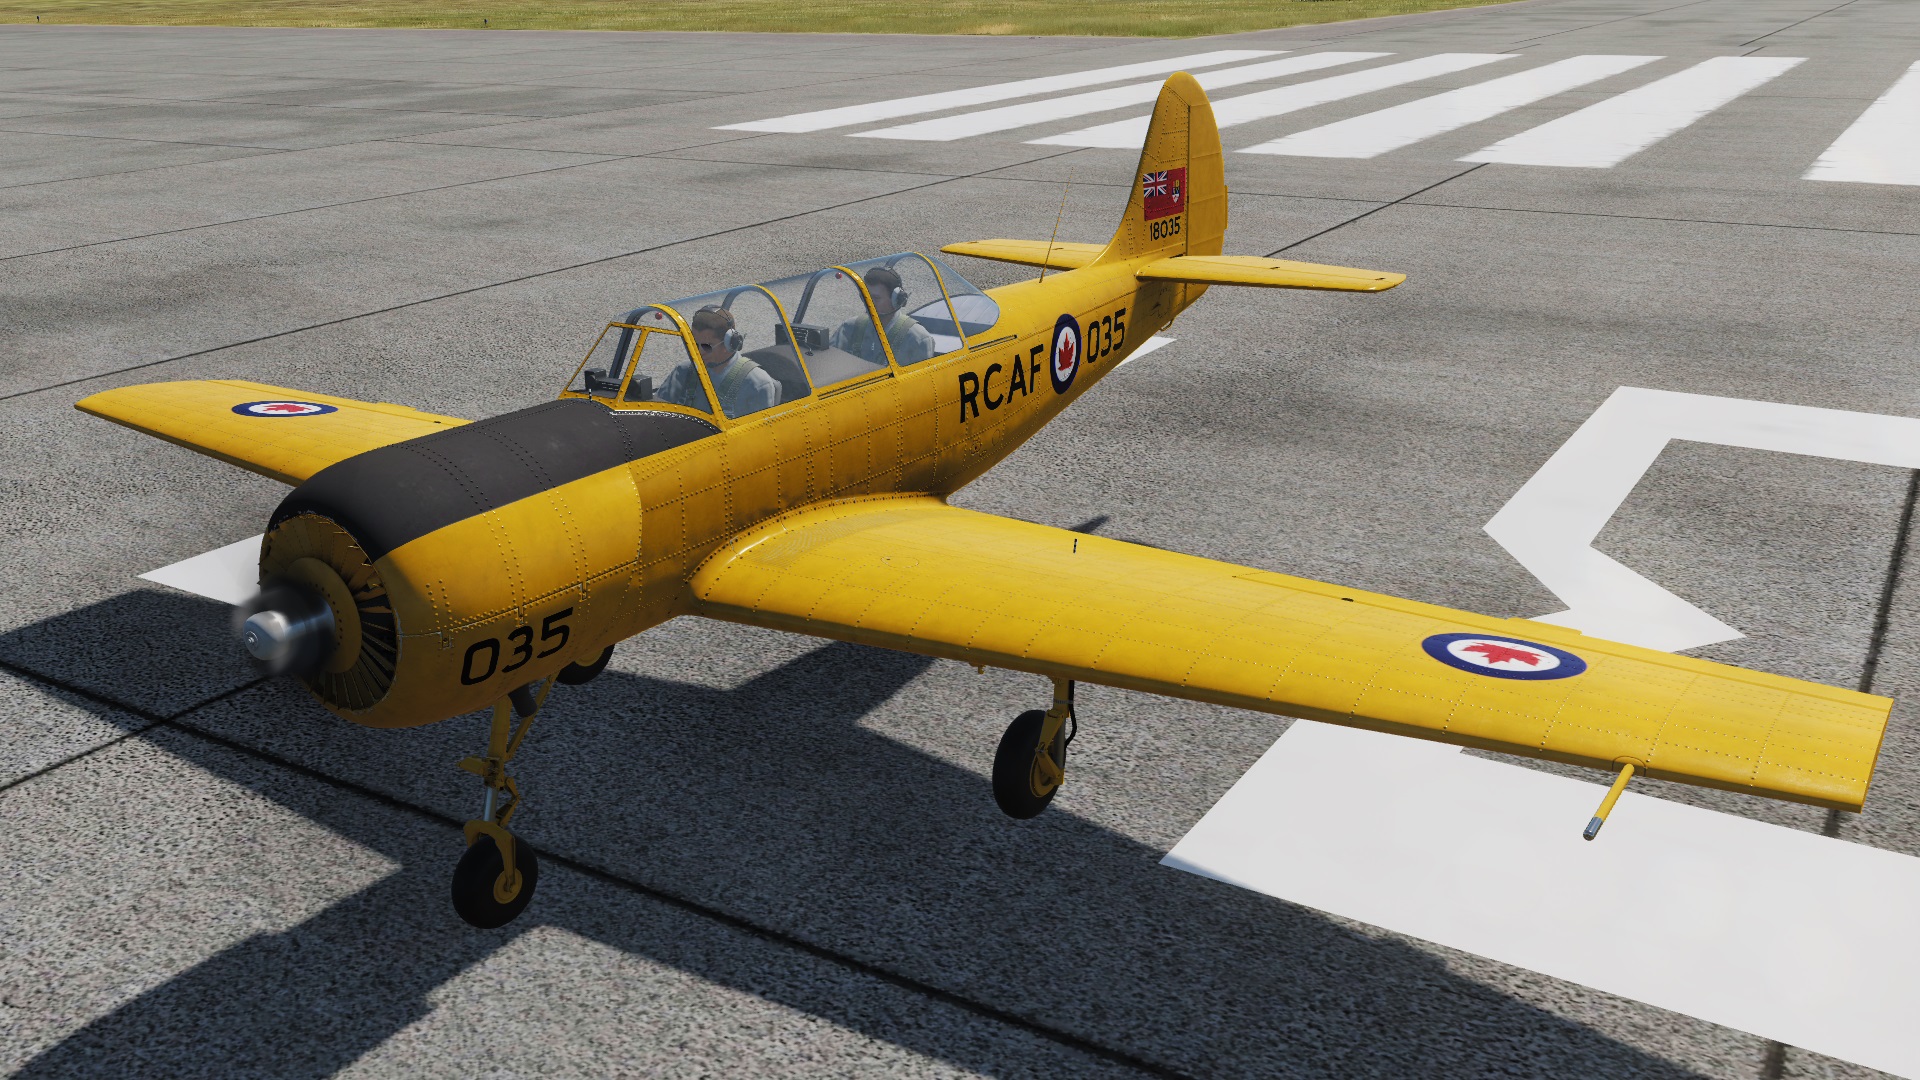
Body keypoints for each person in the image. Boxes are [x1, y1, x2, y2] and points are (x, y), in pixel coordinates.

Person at [656, 306, 782, 418]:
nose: (699, 352)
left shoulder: (757, 384)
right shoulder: (683, 371)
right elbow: (658, 414)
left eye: (707, 346)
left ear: (730, 343)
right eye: (694, 344)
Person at [832, 266, 937, 366]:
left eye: (876, 298)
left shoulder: (917, 339)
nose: (868, 303)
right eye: (865, 297)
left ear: (896, 299)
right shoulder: (849, 328)